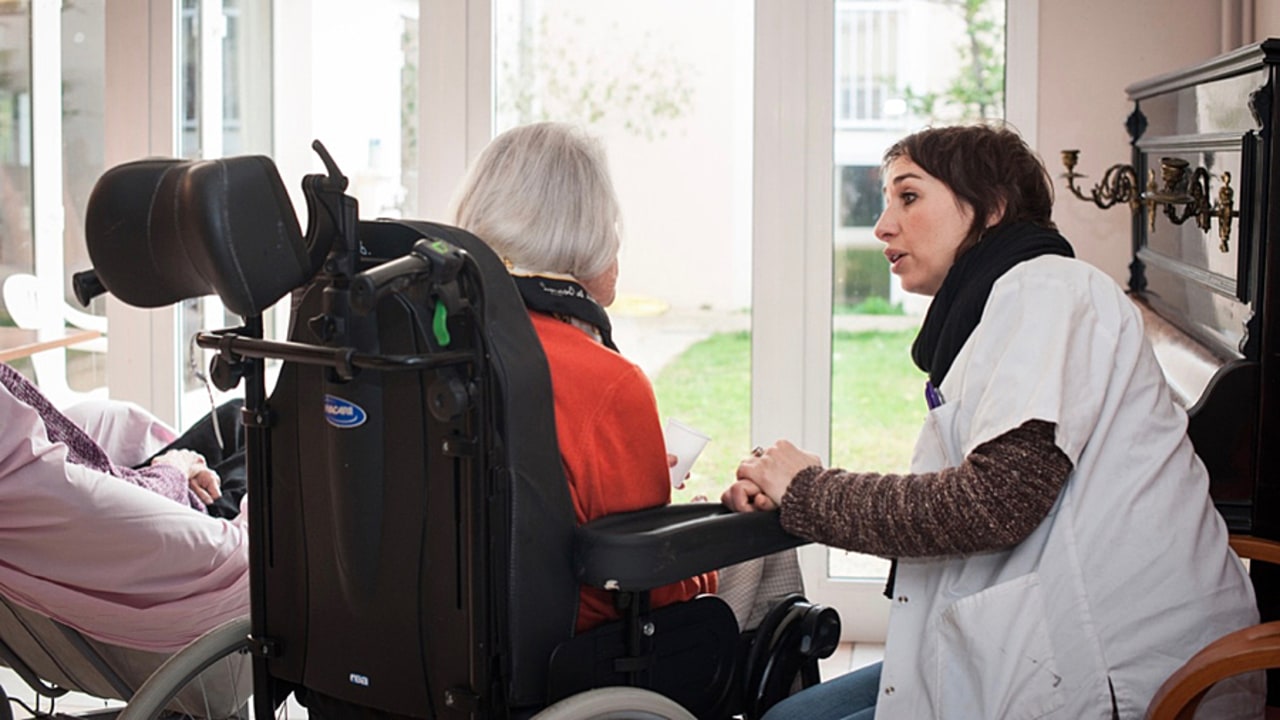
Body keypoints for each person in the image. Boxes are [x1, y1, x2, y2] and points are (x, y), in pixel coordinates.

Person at [722, 123, 1261, 719]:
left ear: (992, 208)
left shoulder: (1049, 289)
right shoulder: (1002, 305)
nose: (882, 227)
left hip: (1111, 666)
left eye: (909, 196)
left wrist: (809, 492)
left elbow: (992, 503)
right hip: (1033, 637)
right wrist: (797, 491)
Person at [450, 121, 718, 632]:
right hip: (571, 655)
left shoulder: (424, 352)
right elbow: (655, 589)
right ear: (582, 233)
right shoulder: (607, 382)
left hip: (432, 648)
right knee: (761, 557)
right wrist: (698, 553)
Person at [0, 360, 249, 653]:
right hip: (172, 547)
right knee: (277, 433)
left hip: (110, 516)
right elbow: (90, 504)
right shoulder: (35, 479)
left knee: (238, 416)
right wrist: (174, 468)